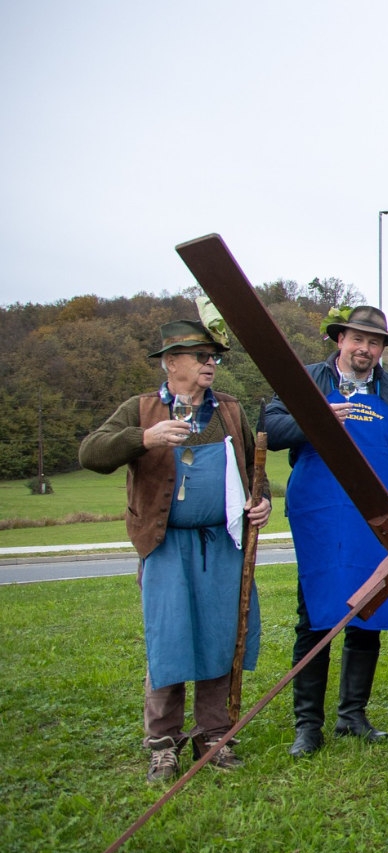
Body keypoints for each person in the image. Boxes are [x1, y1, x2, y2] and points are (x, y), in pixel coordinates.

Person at [80, 320, 271, 782]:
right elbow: (91, 453)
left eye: (214, 358)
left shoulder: (228, 410)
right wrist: (142, 439)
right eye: (201, 356)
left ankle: (213, 736)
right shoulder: (141, 409)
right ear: (171, 363)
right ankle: (163, 743)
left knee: (220, 638)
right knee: (168, 640)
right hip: (164, 545)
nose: (211, 365)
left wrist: (260, 500)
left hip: (222, 542)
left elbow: (252, 467)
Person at [263, 305, 388, 757]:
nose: (365, 349)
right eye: (358, 340)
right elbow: (271, 429)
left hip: (376, 515)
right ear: (340, 340)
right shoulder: (308, 381)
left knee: (368, 612)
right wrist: (314, 423)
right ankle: (307, 725)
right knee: (314, 614)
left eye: (374, 342)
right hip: (321, 511)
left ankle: (352, 716)